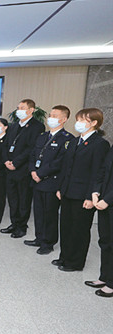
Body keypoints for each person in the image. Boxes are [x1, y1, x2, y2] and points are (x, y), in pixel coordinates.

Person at [53, 108, 109, 272]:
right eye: (78, 119)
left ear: (94, 123)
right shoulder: (74, 141)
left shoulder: (100, 144)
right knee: (66, 226)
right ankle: (64, 257)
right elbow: (65, 167)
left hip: (84, 195)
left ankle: (75, 262)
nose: (78, 123)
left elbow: (97, 172)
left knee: (79, 230)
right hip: (68, 191)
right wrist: (61, 188)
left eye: (83, 120)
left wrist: (91, 197)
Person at [25, 106, 73, 255]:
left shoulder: (67, 139)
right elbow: (33, 155)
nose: (50, 118)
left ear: (64, 119)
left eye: (55, 115)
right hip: (37, 180)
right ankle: (39, 238)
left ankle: (48, 242)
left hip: (51, 182)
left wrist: (40, 173)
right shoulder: (42, 136)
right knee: (38, 212)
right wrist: (33, 171)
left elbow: (60, 162)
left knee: (49, 214)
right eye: (50, 115)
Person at [1, 99, 45, 239]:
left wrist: (16, 162)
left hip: (23, 170)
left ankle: (21, 227)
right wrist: (6, 161)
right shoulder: (13, 126)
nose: (18, 110)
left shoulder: (37, 126)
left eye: (22, 108)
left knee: (23, 200)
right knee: (12, 199)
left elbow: (31, 148)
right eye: (18, 107)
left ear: (31, 110)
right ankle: (14, 223)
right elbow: (6, 145)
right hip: (9, 169)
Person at [89, 145, 113, 298]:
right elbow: (103, 170)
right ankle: (104, 277)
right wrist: (96, 191)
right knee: (105, 241)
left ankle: (111, 283)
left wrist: (108, 200)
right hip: (103, 201)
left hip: (108, 201)